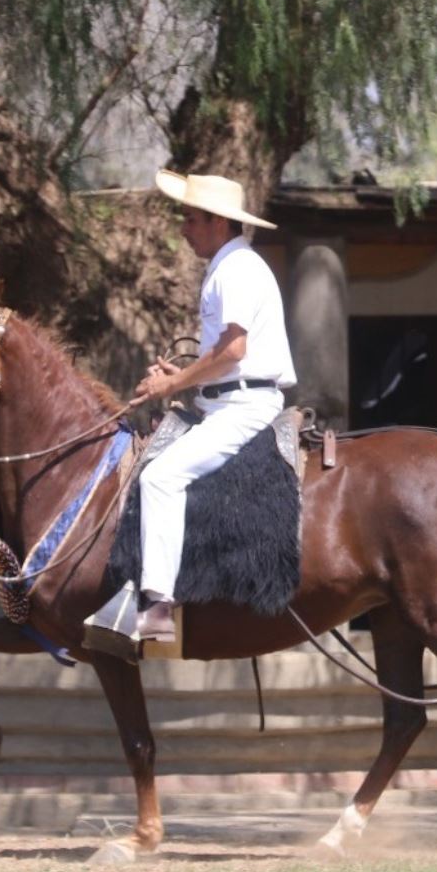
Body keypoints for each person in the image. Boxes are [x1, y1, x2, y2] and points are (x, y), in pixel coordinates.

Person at [127, 171, 297, 644]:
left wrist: (173, 383)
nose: (184, 229)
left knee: (159, 476)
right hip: (226, 400)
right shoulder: (227, 266)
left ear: (218, 222)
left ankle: (158, 607)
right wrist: (176, 377)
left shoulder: (237, 268)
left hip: (244, 408)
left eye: (190, 219)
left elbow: (234, 350)